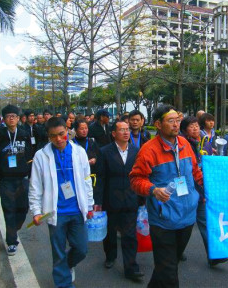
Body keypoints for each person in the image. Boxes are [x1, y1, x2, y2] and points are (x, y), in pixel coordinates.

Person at [130, 105, 204, 288]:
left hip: (187, 217)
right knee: (169, 272)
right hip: (163, 220)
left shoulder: (185, 144)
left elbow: (195, 172)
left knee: (167, 266)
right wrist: (153, 190)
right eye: (171, 121)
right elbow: (135, 179)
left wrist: (208, 190)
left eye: (177, 120)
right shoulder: (149, 150)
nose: (176, 125)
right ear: (158, 124)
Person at [29, 117, 95, 288]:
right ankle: (64, 283)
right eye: (53, 136)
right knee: (58, 252)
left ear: (67, 131)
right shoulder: (41, 156)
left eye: (61, 134)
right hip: (55, 212)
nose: (58, 139)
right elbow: (35, 186)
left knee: (81, 249)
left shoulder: (79, 152)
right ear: (48, 137)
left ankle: (65, 266)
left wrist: (89, 205)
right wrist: (36, 211)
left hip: (77, 209)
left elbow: (87, 180)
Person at [94, 121, 145, 281]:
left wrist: (142, 198)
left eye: (127, 129)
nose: (126, 132)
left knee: (129, 235)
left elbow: (140, 176)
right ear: (114, 134)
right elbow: (100, 178)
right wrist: (98, 201)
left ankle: (131, 268)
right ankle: (110, 256)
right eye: (121, 130)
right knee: (110, 232)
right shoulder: (104, 152)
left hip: (131, 199)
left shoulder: (137, 151)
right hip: (111, 199)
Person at [179, 116, 228, 267]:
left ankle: (213, 255)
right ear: (184, 129)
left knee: (204, 222)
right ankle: (176, 250)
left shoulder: (203, 142)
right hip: (185, 190)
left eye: (196, 126)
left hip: (200, 189)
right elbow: (179, 171)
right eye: (191, 126)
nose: (195, 128)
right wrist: (181, 193)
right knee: (183, 224)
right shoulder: (181, 144)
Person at [0, 105, 34, 256]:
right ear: (4, 119)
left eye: (14, 115)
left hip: (22, 179)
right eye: (8, 116)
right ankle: (12, 242)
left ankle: (14, 228)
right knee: (9, 210)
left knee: (23, 209)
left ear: (18, 118)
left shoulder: (24, 134)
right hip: (6, 180)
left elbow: (31, 156)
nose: (11, 118)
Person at [72, 119, 100, 190]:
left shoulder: (92, 141)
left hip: (91, 175)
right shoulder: (71, 143)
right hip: (77, 176)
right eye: (81, 129)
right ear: (75, 130)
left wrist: (95, 159)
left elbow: (99, 155)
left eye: (86, 128)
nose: (84, 131)